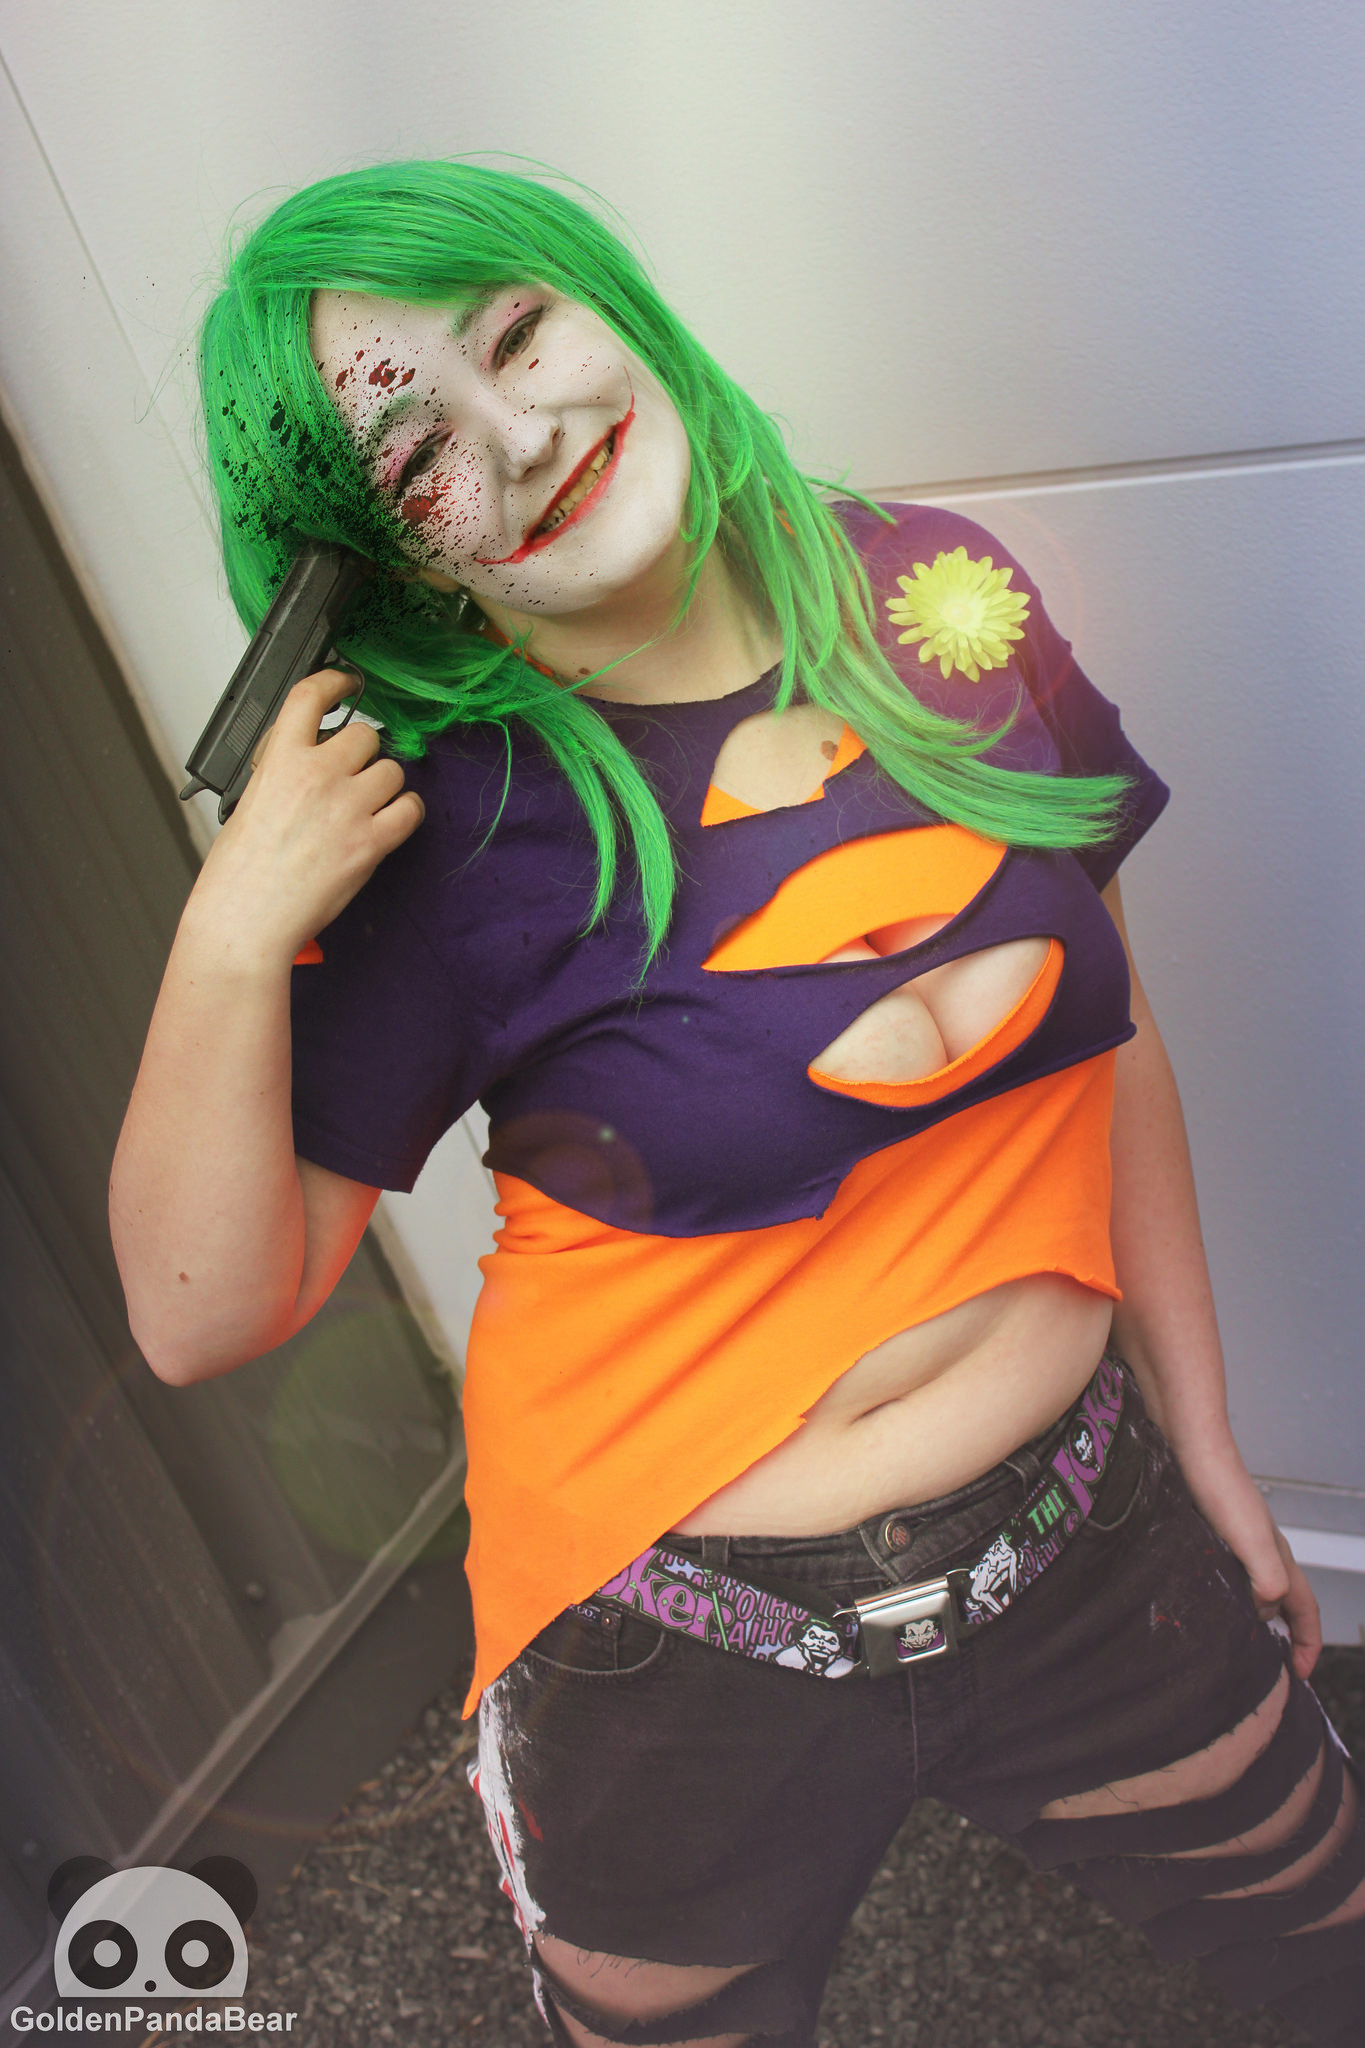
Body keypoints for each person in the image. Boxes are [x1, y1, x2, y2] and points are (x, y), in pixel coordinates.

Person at [110, 161, 1364, 2048]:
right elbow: (200, 1313)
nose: (520, 437)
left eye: (516, 334)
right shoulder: (441, 822)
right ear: (380, 555)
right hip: (673, 1646)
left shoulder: (934, 591)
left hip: (1082, 1539)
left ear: (601, 296)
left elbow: (1113, 1043)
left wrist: (1204, 1439)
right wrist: (229, 936)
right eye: (418, 451)